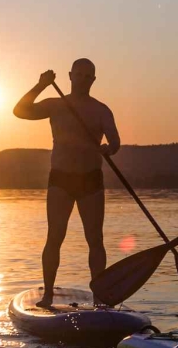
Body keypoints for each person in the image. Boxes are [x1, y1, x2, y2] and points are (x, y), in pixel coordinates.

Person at [13, 59, 120, 306]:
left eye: (87, 76)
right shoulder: (56, 105)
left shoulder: (101, 110)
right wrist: (41, 85)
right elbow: (20, 111)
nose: (82, 80)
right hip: (61, 178)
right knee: (55, 236)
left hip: (91, 179)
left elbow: (115, 141)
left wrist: (110, 148)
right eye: (78, 75)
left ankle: (99, 298)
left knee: (95, 239)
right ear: (70, 76)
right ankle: (48, 294)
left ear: (93, 80)